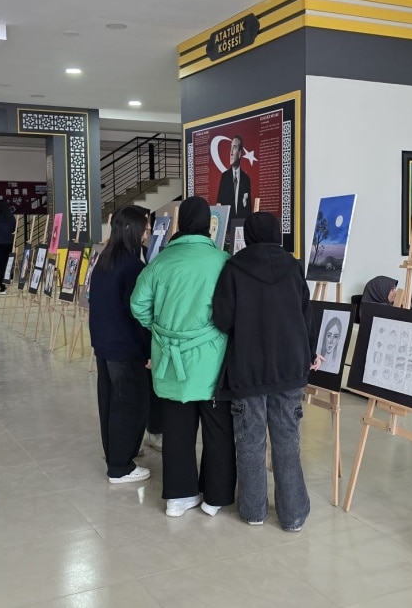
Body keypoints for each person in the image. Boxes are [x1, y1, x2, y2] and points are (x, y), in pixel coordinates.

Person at [212, 212, 317, 531]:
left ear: (250, 235)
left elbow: (222, 319)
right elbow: (306, 316)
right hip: (289, 367)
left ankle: (253, 511)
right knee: (288, 438)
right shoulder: (293, 266)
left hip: (248, 368)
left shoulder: (234, 268)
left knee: (250, 440)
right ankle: (293, 515)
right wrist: (309, 354)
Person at [131, 196, 235, 517]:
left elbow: (137, 306)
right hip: (211, 358)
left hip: (170, 359)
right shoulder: (222, 261)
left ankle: (178, 496)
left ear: (180, 224)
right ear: (209, 225)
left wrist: (161, 331)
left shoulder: (159, 262)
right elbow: (231, 311)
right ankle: (215, 498)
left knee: (177, 427)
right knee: (217, 429)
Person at [90, 206, 153, 484]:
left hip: (104, 345)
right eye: (146, 227)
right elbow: (138, 314)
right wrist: (149, 349)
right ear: (132, 229)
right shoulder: (133, 267)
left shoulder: (104, 261)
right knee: (130, 404)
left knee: (110, 402)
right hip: (125, 348)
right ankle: (120, 467)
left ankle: (116, 452)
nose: (148, 232)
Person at [216, 136, 252, 217]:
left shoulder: (246, 179)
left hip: (241, 225)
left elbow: (249, 209)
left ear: (239, 153)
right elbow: (219, 205)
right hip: (227, 225)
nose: (231, 152)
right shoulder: (224, 177)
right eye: (230, 148)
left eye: (234, 148)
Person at [0, 199, 17, 294]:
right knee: (9, 264)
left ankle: (2, 287)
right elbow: (15, 231)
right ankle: (9, 282)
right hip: (10, 244)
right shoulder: (12, 217)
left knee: (0, 266)